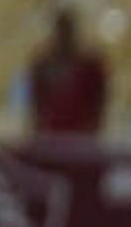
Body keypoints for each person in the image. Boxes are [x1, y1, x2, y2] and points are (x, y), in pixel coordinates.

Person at [28, 7, 107, 135]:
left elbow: (99, 102)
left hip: (81, 135)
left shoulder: (90, 65)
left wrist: (94, 129)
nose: (63, 35)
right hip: (51, 134)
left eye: (67, 30)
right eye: (60, 30)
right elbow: (36, 104)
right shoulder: (42, 65)